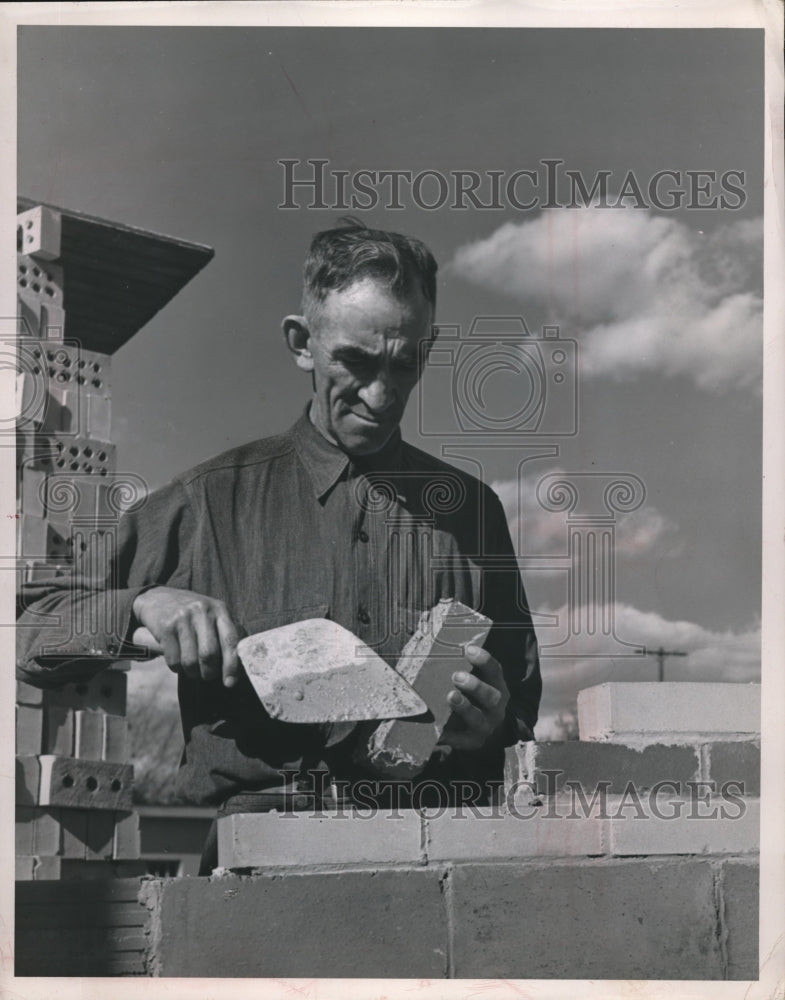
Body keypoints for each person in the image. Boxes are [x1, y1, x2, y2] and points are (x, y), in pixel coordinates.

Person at [17, 218, 541, 870]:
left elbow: (521, 711)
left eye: (403, 365)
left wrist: (490, 726)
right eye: (355, 361)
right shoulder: (209, 498)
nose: (381, 396)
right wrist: (139, 605)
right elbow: (27, 622)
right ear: (301, 343)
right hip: (256, 858)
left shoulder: (474, 514)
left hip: (434, 859)